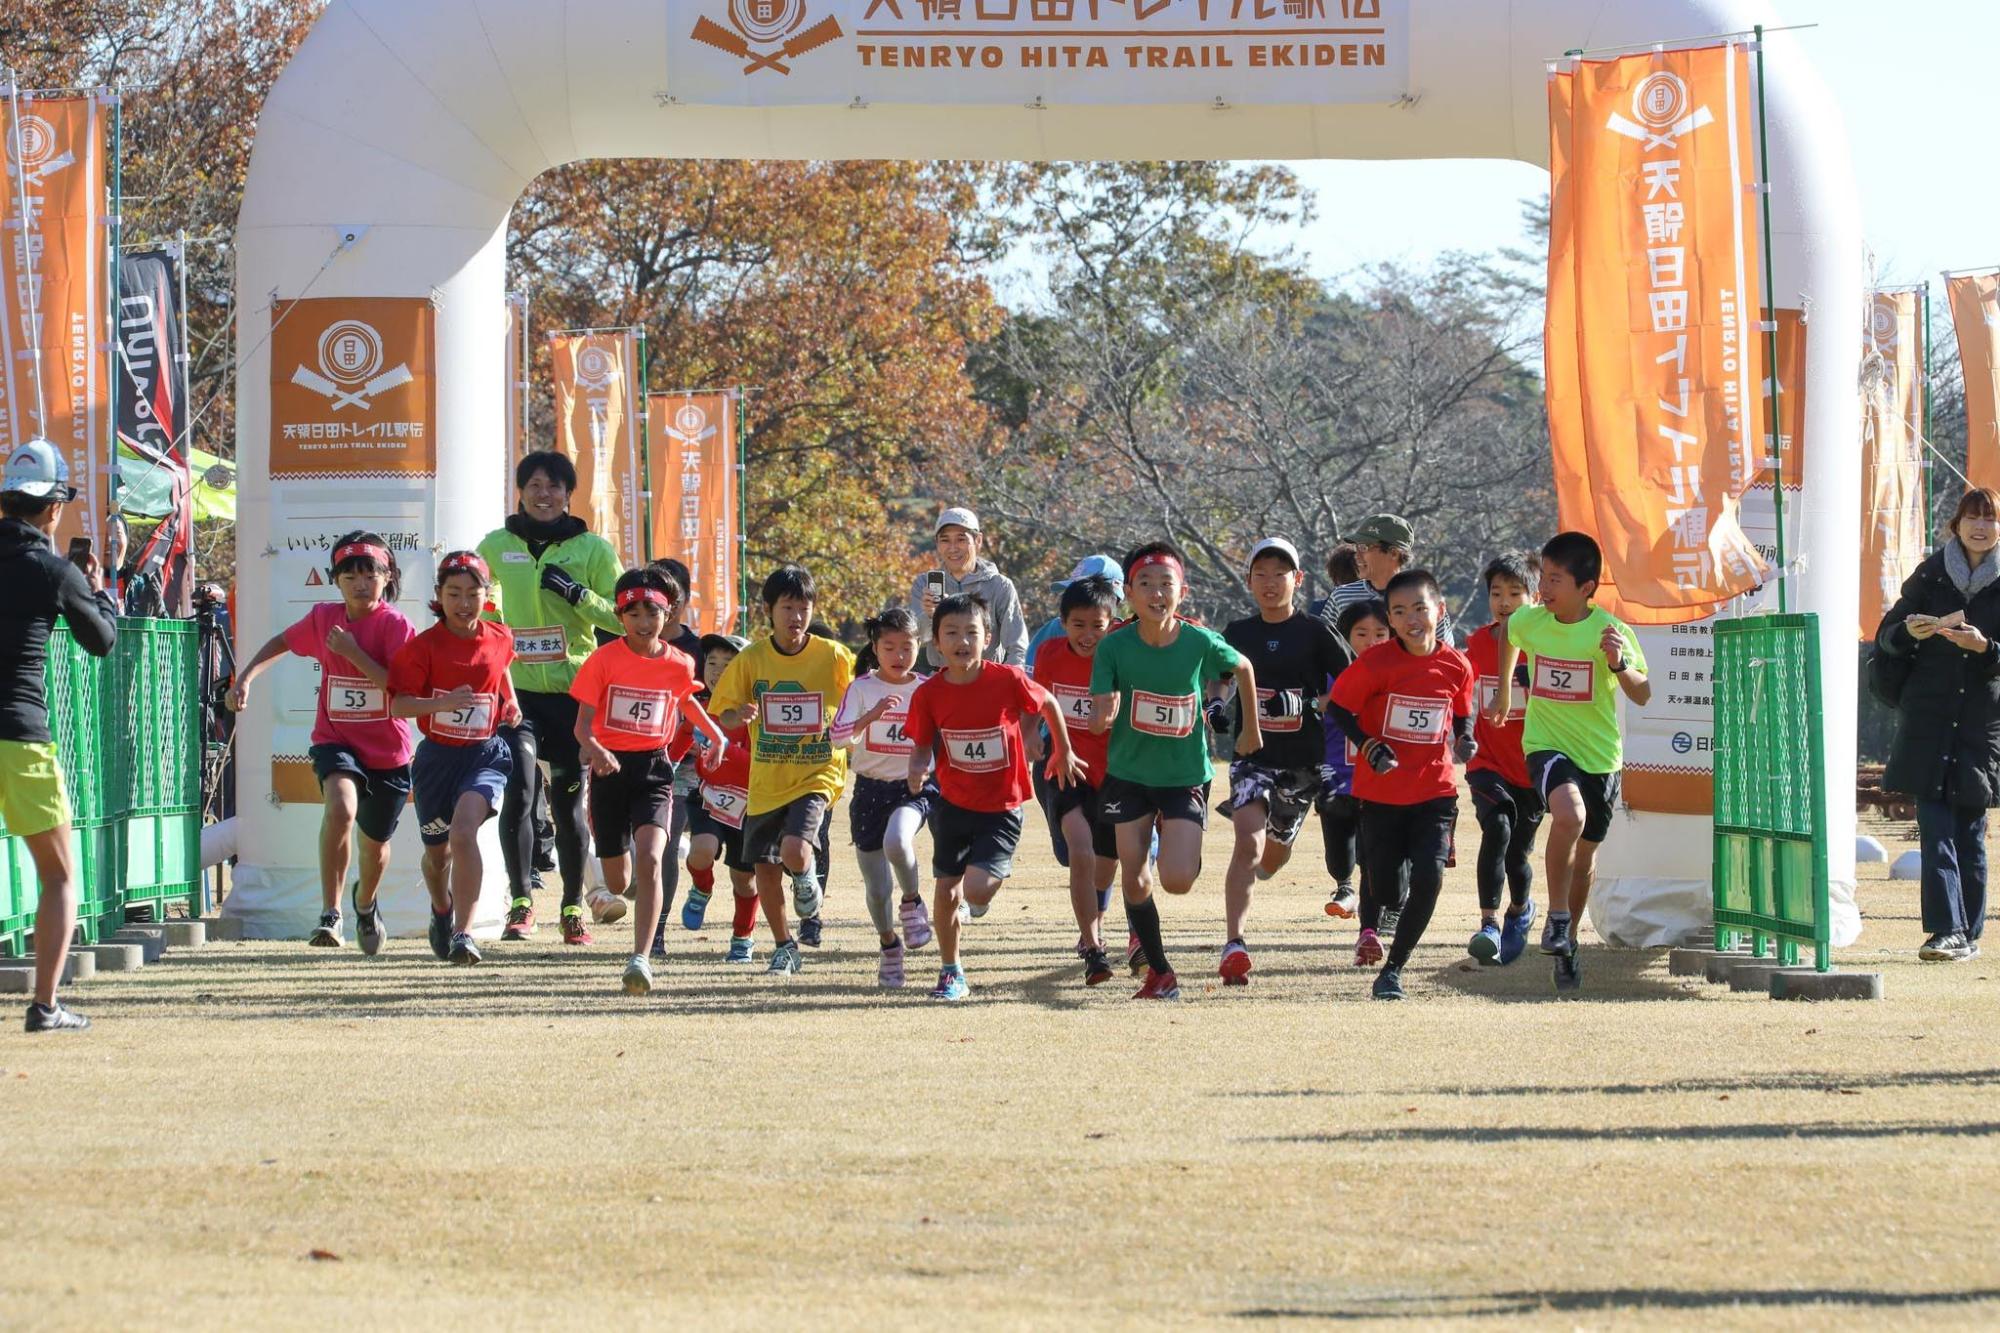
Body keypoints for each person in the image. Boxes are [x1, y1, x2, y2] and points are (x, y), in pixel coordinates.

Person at [1090, 541, 1262, 1001]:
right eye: (1144, 584)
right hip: (1128, 775)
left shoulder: (1198, 641)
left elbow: (1243, 667)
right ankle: (1161, 973)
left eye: (1166, 583)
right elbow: (1100, 709)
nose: (1156, 592)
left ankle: (1180, 838)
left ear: (1182, 592)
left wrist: (1250, 730)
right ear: (1128, 593)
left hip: (1183, 775)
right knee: (1134, 877)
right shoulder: (1114, 646)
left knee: (1177, 880)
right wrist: (1102, 716)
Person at [228, 532, 415, 952]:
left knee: (375, 847)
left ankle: (364, 903)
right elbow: (282, 642)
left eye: (370, 575)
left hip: (388, 751)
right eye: (350, 576)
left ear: (387, 577)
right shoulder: (323, 618)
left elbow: (400, 690)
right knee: (341, 808)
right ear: (335, 580)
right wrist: (246, 678)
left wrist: (352, 653)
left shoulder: (396, 626)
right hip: (336, 741)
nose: (360, 584)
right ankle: (331, 914)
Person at [1489, 531, 1649, 992]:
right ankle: (1557, 916)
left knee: (1586, 858)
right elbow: (1509, 634)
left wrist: (1618, 664)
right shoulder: (1531, 620)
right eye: (1543, 577)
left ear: (1586, 587)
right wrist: (1505, 690)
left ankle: (1568, 939)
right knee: (1569, 815)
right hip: (1546, 745)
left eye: (1555, 580)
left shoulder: (1610, 632)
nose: (1543, 588)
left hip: (1600, 758)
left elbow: (1642, 693)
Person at [904, 593, 1083, 1000]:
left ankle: (988, 880)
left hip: (1001, 806)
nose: (962, 641)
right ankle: (951, 971)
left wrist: (1062, 749)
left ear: (988, 638)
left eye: (972, 632)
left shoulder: (1007, 680)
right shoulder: (929, 694)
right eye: (952, 633)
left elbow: (1049, 703)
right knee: (947, 889)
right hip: (952, 803)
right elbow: (921, 744)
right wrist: (917, 767)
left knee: (976, 891)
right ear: (936, 642)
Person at [477, 450, 622, 946]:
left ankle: (572, 908)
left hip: (573, 695)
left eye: (554, 486)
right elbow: (480, 600)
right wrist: (493, 614)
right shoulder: (495, 545)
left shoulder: (593, 550)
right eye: (535, 485)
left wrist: (578, 595)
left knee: (568, 806)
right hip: (515, 695)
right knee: (519, 792)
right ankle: (520, 904)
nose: (544, 495)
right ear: (520, 492)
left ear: (568, 494)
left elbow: (623, 617)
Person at [1, 441, 119, 1031]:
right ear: (53, 508)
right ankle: (45, 1006)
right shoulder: (54, 570)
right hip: (19, 736)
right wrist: (97, 590)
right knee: (59, 877)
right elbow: (101, 641)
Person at [570, 567, 723, 996]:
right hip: (609, 772)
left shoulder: (679, 662)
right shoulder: (603, 660)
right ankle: (631, 878)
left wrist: (715, 734)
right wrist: (597, 750)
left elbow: (686, 701)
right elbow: (581, 726)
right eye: (633, 613)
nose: (643, 622)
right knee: (620, 882)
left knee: (654, 857)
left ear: (667, 613)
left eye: (652, 612)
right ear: (620, 616)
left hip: (655, 769)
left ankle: (640, 958)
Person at [1328, 569, 1478, 1000]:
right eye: (1399, 611)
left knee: (1430, 878)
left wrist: (1465, 737)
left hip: (1435, 792)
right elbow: (1339, 709)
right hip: (1381, 795)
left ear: (1440, 610)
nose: (1411, 619)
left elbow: (1462, 711)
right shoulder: (1376, 663)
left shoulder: (1456, 664)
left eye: (1419, 608)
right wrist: (1369, 745)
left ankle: (1393, 970)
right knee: (1389, 890)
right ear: (1390, 619)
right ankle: (1398, 878)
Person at [709, 565, 856, 973]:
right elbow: (723, 714)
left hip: (817, 772)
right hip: (766, 781)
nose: (796, 617)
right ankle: (783, 945)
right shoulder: (751, 659)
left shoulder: (833, 656)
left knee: (794, 850)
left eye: (804, 608)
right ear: (769, 611)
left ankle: (806, 878)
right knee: (765, 870)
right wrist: (738, 714)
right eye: (787, 608)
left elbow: (864, 688)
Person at [1217, 538, 1351, 985]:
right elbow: (1218, 678)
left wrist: (1308, 705)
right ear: (1249, 580)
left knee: (1272, 857)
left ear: (1298, 579)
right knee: (1248, 845)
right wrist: (1216, 704)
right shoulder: (1238, 632)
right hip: (1252, 758)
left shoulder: (1316, 631)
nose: (1270, 583)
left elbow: (1351, 685)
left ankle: (1277, 847)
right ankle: (1234, 943)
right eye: (1261, 574)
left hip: (1302, 765)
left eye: (1280, 574)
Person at [1874, 488, 2000, 961]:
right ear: (1956, 524)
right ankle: (1946, 931)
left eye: (1990, 519)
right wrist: (1908, 632)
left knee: (1969, 833)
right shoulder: (1930, 574)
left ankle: (1967, 934)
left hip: (1980, 726)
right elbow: (1887, 637)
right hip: (1928, 721)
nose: (1980, 527)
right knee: (1935, 829)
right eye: (1972, 517)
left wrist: (1985, 648)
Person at [386, 551, 521, 967]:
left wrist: (511, 702)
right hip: (436, 761)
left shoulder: (500, 636)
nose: (464, 603)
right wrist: (441, 704)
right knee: (438, 855)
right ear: (439, 596)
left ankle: (464, 933)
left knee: (463, 833)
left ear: (486, 595)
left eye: (472, 594)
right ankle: (441, 908)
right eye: (454, 593)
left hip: (484, 755)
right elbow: (399, 705)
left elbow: (502, 669)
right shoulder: (422, 648)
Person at [831, 607, 936, 987]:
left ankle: (912, 901)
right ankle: (889, 945)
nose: (899, 655)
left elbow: (943, 735)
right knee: (877, 891)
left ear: (919, 646)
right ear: (875, 648)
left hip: (912, 787)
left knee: (897, 840)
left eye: (907, 646)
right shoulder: (861, 688)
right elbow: (837, 738)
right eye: (889, 647)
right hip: (869, 790)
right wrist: (870, 716)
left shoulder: (926, 688)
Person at [1030, 574, 1125, 984]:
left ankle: (1095, 926)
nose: (1087, 635)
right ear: (1063, 623)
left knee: (1106, 863)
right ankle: (1093, 946)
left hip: (1117, 772)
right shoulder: (1050, 653)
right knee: (1080, 850)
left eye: (1097, 626)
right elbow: (1035, 700)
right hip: (1066, 766)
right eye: (1078, 625)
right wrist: (1030, 732)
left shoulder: (1124, 653)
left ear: (1112, 623)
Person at [1462, 553, 1543, 966]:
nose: (1505, 602)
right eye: (1496, 593)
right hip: (1487, 764)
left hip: (1532, 770)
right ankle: (1488, 925)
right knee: (1496, 828)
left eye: (1515, 593)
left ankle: (1520, 909)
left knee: (1517, 856)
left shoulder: (1547, 645)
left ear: (1535, 598)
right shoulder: (1477, 644)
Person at [643, 555, 708, 948]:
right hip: (633, 757)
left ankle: (658, 931)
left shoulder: (698, 651)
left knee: (665, 844)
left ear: (682, 600)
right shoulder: (627, 648)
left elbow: (706, 705)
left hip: (680, 763)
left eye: (669, 599)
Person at [685, 633, 762, 964]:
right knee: (701, 850)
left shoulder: (755, 714)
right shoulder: (701, 708)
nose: (717, 671)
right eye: (712, 663)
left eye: (728, 665)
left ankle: (742, 937)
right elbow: (682, 740)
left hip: (750, 806)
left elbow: (759, 761)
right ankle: (701, 887)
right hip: (709, 798)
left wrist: (727, 749)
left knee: (744, 880)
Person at [1318, 600, 1391, 919]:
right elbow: (1312, 713)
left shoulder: (1399, 677)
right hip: (1335, 776)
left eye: (1380, 634)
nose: (1371, 642)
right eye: (1361, 634)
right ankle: (1343, 885)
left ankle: (1371, 900)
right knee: (1338, 849)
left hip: (1380, 780)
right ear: (1344, 638)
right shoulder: (1329, 677)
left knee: (1371, 848)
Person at [908, 507, 1029, 667]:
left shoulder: (999, 586)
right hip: (941, 676)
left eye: (961, 539)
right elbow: (916, 640)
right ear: (937, 543)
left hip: (987, 676)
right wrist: (930, 616)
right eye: (945, 540)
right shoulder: (924, 585)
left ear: (978, 540)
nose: (953, 548)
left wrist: (1009, 678)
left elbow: (1018, 647)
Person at [1319, 515, 1458, 646]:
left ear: (1394, 553)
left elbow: (1444, 652)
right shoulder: (1341, 596)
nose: (1357, 556)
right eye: (1357, 548)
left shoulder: (1426, 600)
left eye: (1364, 548)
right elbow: (1322, 646)